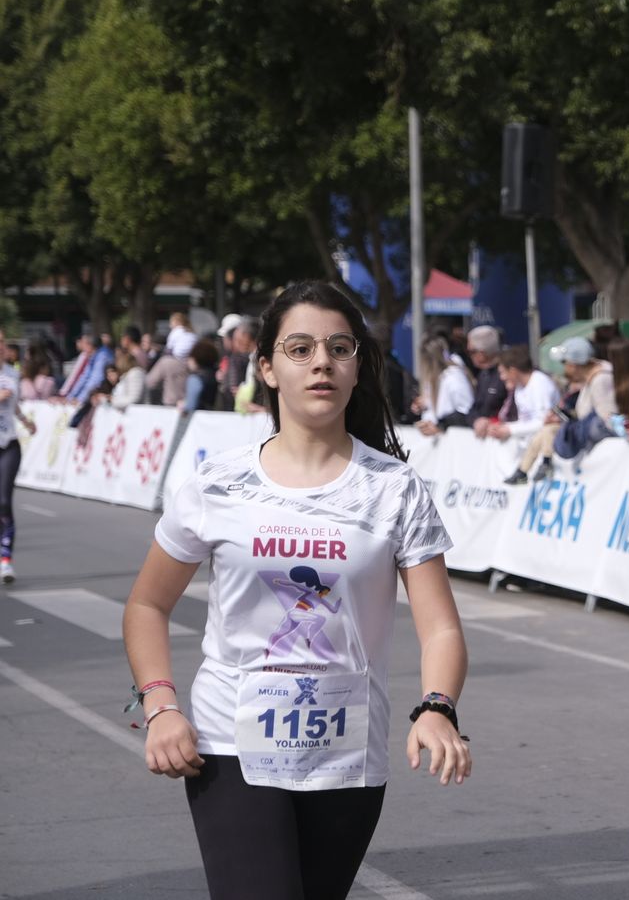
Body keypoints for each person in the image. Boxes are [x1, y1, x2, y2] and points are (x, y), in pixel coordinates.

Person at [121, 280, 471, 900]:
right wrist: (161, 706)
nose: (321, 363)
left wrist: (438, 706)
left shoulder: (395, 489)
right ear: (268, 369)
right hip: (229, 740)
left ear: (358, 367)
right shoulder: (218, 485)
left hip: (348, 751)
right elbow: (148, 605)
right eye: (300, 348)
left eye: (339, 348)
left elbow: (440, 625)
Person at [503, 336, 614, 484]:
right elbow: (585, 413)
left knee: (548, 430)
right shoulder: (590, 379)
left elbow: (607, 418)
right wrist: (563, 417)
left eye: (564, 362)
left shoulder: (600, 380)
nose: (563, 367)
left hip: (597, 441)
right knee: (547, 429)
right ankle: (525, 470)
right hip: (586, 433)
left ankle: (534, 467)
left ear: (574, 364)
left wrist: (568, 421)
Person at [0, 327, 38, 583]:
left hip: (9, 443)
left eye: (2, 342)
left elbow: (13, 406)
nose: (1, 346)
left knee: (4, 501)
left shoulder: (12, 373)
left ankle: (5, 561)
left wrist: (25, 420)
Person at [477, 345, 561, 443]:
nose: (501, 378)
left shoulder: (540, 383)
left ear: (513, 371)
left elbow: (544, 422)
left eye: (503, 372)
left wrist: (510, 429)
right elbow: (525, 422)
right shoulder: (519, 388)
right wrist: (503, 427)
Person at [413, 334, 475, 435]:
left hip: (452, 439)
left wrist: (441, 426)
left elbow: (466, 410)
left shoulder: (453, 376)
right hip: (436, 438)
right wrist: (424, 404)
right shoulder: (433, 377)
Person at [463, 325, 509, 426]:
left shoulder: (507, 375)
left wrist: (491, 422)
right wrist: (476, 421)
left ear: (482, 353)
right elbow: (474, 408)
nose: (469, 356)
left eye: (471, 352)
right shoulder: (483, 375)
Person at [182, 340, 220, 413]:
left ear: (195, 359)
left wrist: (183, 405)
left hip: (198, 420)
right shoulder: (216, 375)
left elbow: (190, 405)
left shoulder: (195, 378)